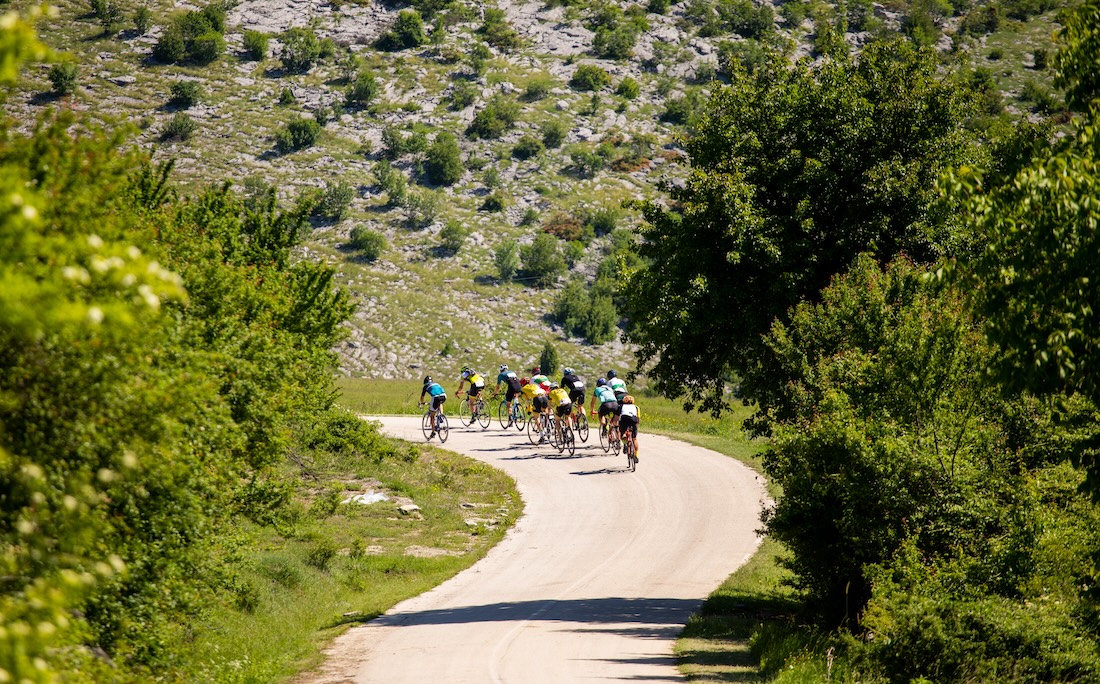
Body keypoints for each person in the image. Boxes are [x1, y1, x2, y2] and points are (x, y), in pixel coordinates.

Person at [521, 376, 549, 440]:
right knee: (546, 410)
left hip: (537, 398)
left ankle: (542, 435)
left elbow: (527, 401)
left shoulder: (523, 389)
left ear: (522, 384)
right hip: (544, 396)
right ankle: (550, 423)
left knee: (536, 417)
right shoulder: (534, 385)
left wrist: (529, 410)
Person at [618, 394, 640, 460]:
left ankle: (625, 443)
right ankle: (636, 456)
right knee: (634, 438)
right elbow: (638, 419)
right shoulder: (636, 407)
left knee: (622, 433)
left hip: (624, 419)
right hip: (634, 420)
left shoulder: (621, 406)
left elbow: (617, 416)